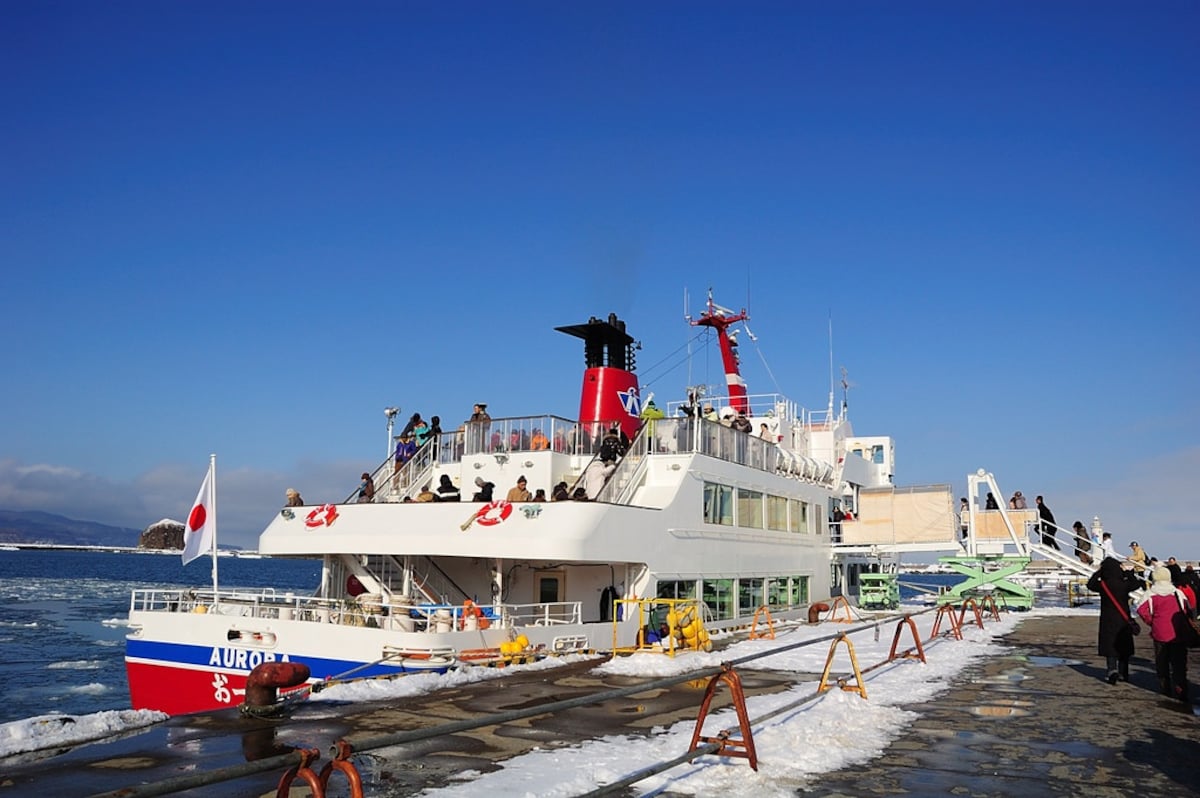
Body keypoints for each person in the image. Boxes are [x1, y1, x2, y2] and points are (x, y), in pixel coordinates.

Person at [1136, 565, 1192, 702]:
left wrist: (1152, 622)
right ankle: (1180, 688)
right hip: (1178, 632)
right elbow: (1186, 609)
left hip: (1159, 632)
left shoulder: (1151, 593)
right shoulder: (1177, 592)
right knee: (1179, 663)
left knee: (1162, 661)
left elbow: (1141, 610)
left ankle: (1165, 687)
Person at [1087, 557, 1141, 684]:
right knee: (1123, 645)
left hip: (1108, 619)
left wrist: (1099, 572)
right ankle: (1124, 673)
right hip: (1123, 619)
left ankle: (1112, 670)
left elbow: (1090, 584)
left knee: (1110, 645)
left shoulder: (1103, 585)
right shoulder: (1123, 583)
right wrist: (1127, 572)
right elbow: (1136, 584)